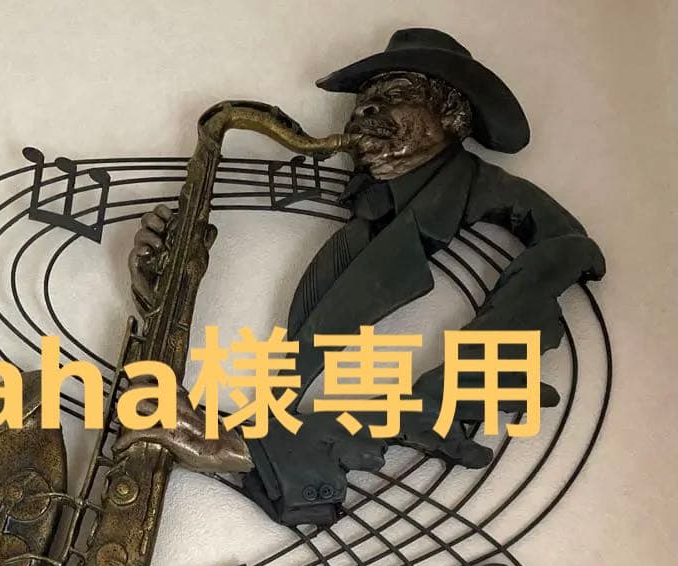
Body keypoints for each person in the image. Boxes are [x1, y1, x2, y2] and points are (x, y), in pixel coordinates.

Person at [117, 28, 605, 528]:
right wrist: (164, 289)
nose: (365, 110)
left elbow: (448, 398)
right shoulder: (366, 223)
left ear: (453, 115)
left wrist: (250, 448)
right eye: (364, 99)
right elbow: (282, 397)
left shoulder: (547, 237)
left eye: (395, 94)